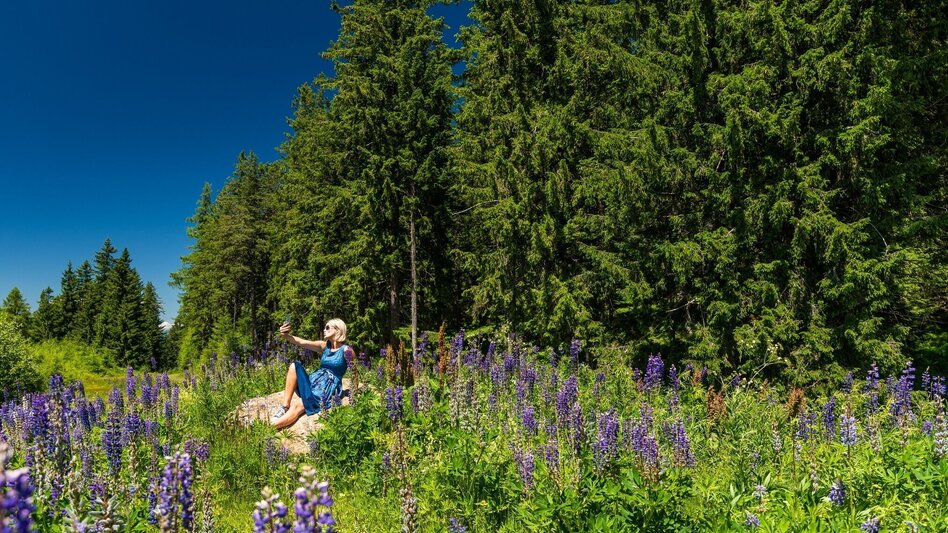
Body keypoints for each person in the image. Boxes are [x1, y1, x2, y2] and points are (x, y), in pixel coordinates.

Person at [272, 318, 350, 429]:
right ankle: (285, 406)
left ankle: (269, 427)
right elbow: (301, 342)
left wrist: (355, 391)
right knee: (294, 366)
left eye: (327, 327)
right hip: (314, 381)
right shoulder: (324, 346)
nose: (324, 330)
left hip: (326, 389)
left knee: (299, 405)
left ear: (338, 330)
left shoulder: (346, 350)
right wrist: (285, 336)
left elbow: (354, 371)